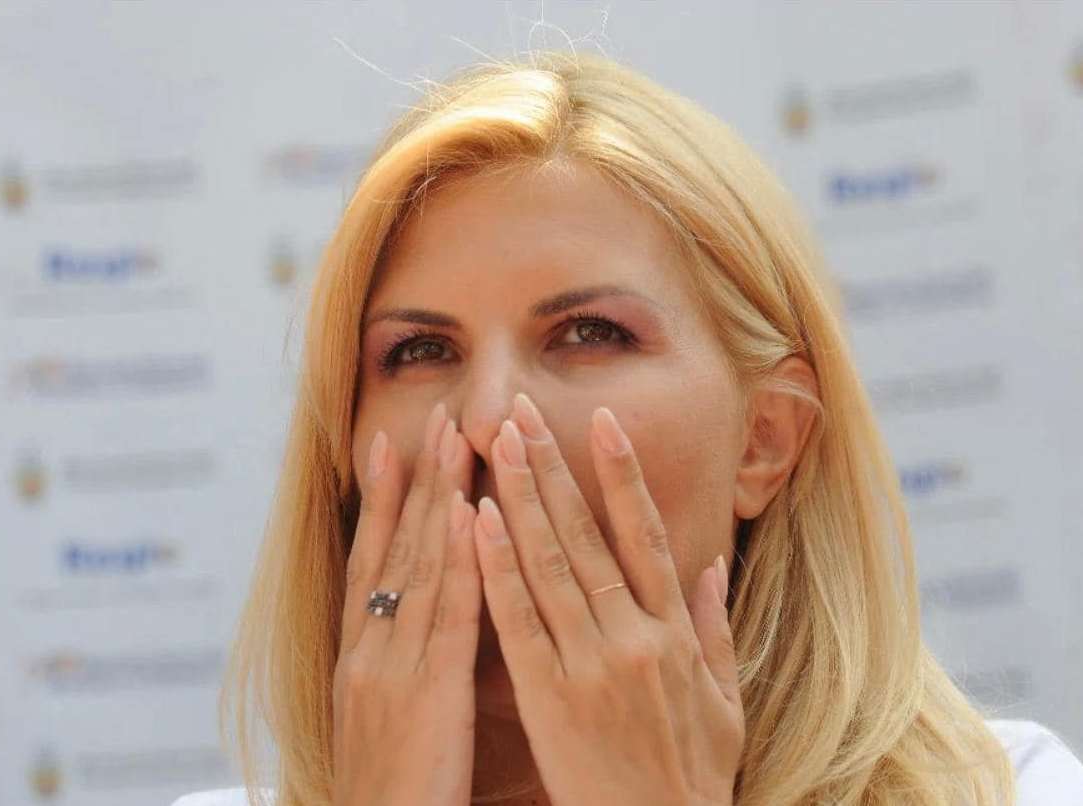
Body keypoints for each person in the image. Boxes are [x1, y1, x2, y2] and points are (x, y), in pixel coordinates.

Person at [174, 50, 1083, 805]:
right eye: (419, 350)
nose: (486, 419)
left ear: (765, 438)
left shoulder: (1012, 790)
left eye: (588, 334)